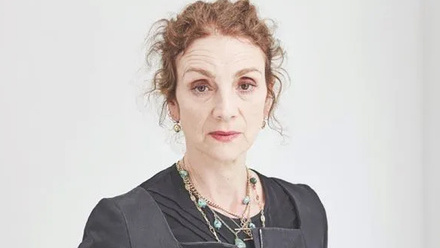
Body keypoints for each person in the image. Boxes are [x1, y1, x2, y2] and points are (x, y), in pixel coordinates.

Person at [78, 0, 327, 247]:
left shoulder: (305, 211)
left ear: (267, 99)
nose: (225, 110)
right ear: (173, 102)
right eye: (201, 87)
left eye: (245, 85)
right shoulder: (125, 224)